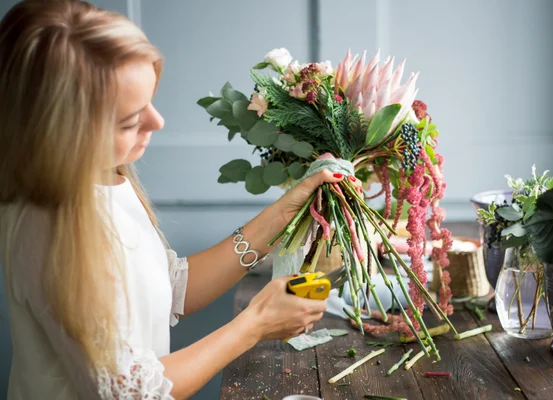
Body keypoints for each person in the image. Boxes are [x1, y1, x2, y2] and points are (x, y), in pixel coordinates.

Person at [0, 1, 362, 399]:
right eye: (129, 120)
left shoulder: (106, 175)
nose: (158, 122)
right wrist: (254, 323)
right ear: (60, 132)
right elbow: (135, 393)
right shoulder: (51, 229)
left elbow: (171, 289)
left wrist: (283, 214)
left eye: (149, 102)